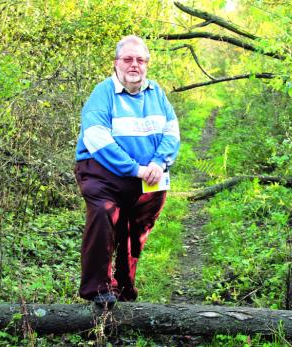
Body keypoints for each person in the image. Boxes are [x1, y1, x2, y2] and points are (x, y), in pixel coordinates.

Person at [74, 35, 180, 306]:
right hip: (103, 173)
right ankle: (98, 291)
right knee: (103, 217)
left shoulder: (157, 93)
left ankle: (123, 289)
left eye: (140, 60)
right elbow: (97, 139)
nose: (135, 65)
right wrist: (135, 169)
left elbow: (172, 132)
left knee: (135, 232)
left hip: (149, 175)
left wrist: (158, 162)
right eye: (128, 59)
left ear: (147, 64)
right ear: (116, 63)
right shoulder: (103, 93)